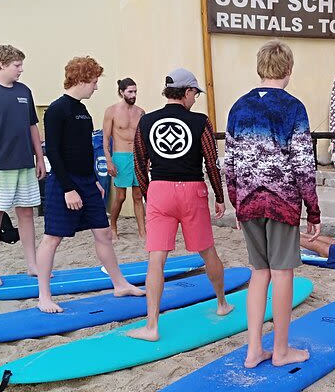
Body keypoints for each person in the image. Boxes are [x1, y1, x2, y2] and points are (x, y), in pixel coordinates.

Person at [225, 39, 321, 369]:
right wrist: (313, 208)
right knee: (282, 274)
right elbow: (303, 163)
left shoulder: (238, 107)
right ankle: (280, 350)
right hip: (282, 202)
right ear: (289, 70)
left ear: (259, 67)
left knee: (258, 273)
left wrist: (236, 201)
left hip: (248, 201)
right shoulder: (293, 108)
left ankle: (254, 349)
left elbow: (230, 160)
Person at [127, 68, 233, 342]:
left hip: (160, 189)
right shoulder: (199, 121)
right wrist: (219, 197)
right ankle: (222, 303)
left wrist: (151, 196)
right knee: (207, 252)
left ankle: (151, 326)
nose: (195, 99)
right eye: (195, 94)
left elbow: (139, 162)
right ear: (186, 92)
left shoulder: (146, 120)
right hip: (192, 190)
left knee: (156, 258)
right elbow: (211, 161)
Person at [37, 57, 145, 313]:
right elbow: (52, 151)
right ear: (82, 79)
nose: (96, 88)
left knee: (103, 233)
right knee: (52, 238)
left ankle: (119, 284)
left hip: (87, 182)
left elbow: (84, 149)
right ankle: (43, 296)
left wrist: (94, 181)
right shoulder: (57, 110)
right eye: (94, 82)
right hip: (64, 183)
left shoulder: (83, 110)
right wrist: (68, 189)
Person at [0, 45, 46, 286]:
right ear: (2, 65)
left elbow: (32, 126)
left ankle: (32, 265)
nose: (21, 70)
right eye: (17, 65)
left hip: (24, 164)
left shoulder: (24, 91)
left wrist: (39, 157)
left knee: (26, 213)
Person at [103, 78, 145, 239]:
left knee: (138, 195)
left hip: (137, 156)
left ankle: (142, 231)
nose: (133, 95)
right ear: (121, 92)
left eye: (135, 91)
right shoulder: (111, 111)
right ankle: (112, 226)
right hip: (120, 155)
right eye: (130, 92)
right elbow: (106, 139)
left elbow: (143, 138)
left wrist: (146, 159)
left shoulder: (140, 112)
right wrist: (109, 160)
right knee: (120, 196)